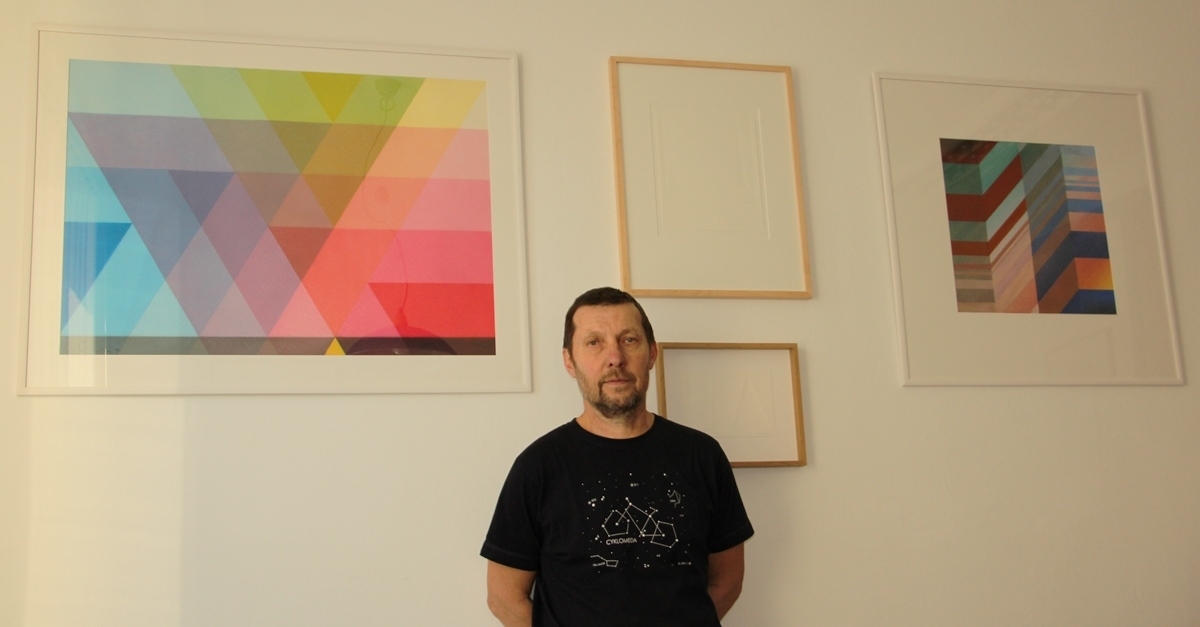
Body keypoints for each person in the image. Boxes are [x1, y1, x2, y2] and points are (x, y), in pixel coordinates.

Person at [481, 287, 754, 626]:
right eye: (594, 342)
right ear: (569, 361)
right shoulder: (538, 466)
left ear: (651, 353)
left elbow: (728, 580)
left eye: (629, 340)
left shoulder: (702, 455)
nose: (615, 358)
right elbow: (504, 597)